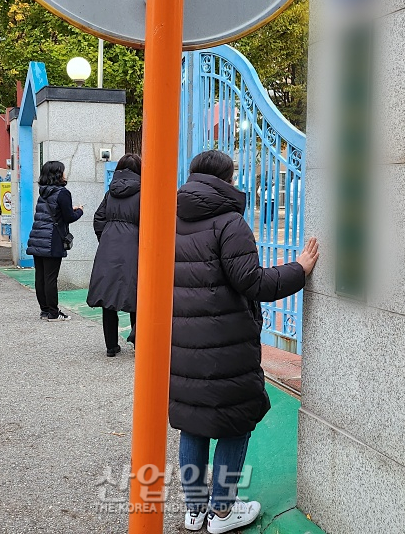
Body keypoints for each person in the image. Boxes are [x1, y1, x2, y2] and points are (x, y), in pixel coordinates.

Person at [171, 150, 319, 533]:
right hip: (225, 341)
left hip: (183, 340)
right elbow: (251, 282)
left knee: (193, 421)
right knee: (236, 421)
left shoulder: (171, 217)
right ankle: (222, 511)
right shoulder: (229, 222)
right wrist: (298, 270)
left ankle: (194, 512)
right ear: (226, 178)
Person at [86, 154, 141, 357]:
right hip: (135, 248)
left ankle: (111, 347)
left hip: (109, 247)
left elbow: (98, 218)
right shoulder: (143, 191)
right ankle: (138, 344)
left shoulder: (111, 192)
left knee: (108, 298)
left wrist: (107, 237)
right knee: (137, 295)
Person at [26, 161, 84, 322]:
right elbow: (69, 217)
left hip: (38, 238)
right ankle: (53, 312)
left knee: (41, 276)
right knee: (51, 278)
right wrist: (79, 211)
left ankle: (44, 310)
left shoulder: (43, 192)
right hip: (52, 240)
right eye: (63, 172)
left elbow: (54, 212)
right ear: (58, 174)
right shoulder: (62, 193)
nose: (65, 174)